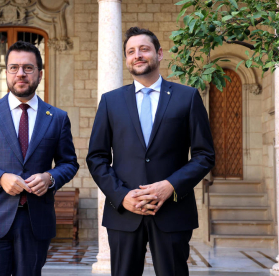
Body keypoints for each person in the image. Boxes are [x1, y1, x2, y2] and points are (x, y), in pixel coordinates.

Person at [86, 27, 215, 276]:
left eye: (144, 49)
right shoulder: (110, 101)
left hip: (172, 211)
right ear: (126, 59)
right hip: (124, 213)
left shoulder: (186, 97)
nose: (138, 55)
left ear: (159, 54)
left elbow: (204, 155)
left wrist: (170, 186)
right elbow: (97, 157)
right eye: (131, 51)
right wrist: (122, 196)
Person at [0, 41, 79, 276]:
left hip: (36, 221)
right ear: (6, 73)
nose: (20, 74)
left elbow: (69, 163)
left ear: (40, 74)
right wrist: (0, 177)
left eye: (28, 68)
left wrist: (50, 178)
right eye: (13, 68)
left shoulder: (57, 117)